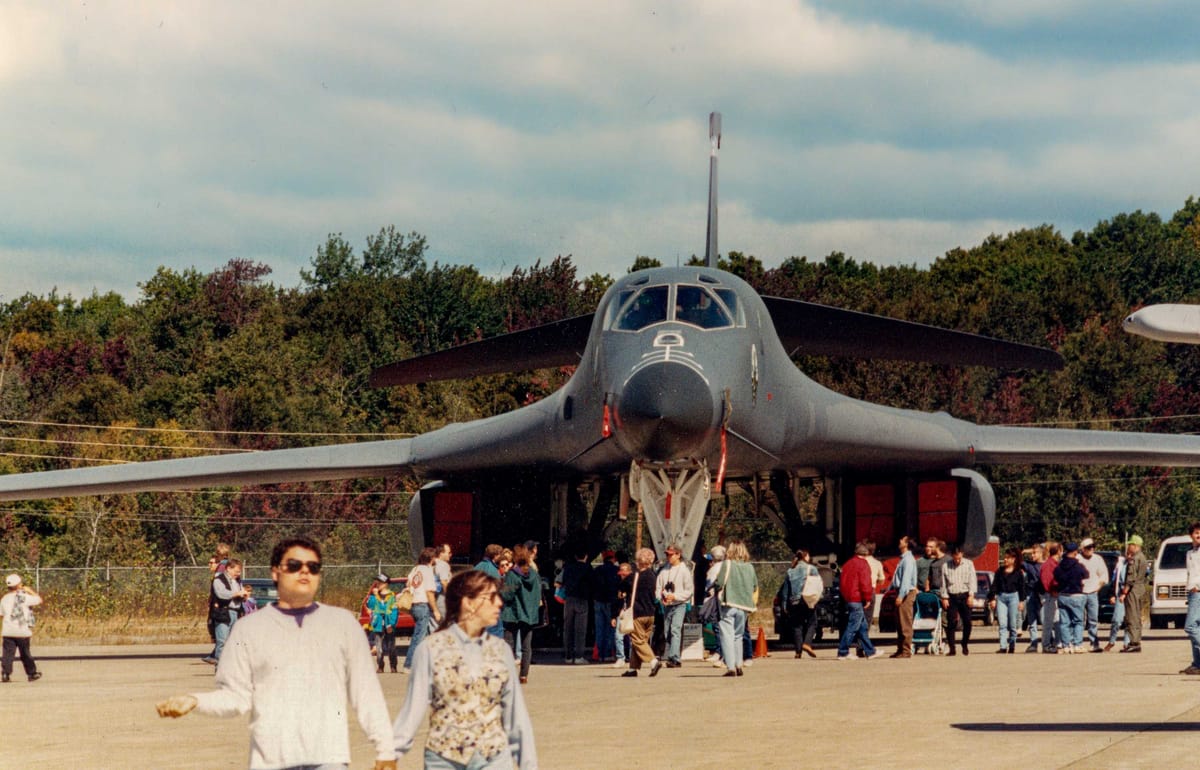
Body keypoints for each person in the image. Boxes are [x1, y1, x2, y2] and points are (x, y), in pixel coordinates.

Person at [155, 537, 397, 770]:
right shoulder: (248, 629)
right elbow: (236, 698)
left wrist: (386, 749)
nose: (304, 572)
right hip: (271, 758)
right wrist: (197, 701)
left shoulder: (342, 624)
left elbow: (366, 692)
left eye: (313, 567)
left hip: (328, 756)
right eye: (294, 566)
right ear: (275, 572)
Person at [392, 570, 538, 768]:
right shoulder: (430, 649)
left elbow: (516, 716)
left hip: (493, 758)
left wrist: (529, 765)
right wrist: (389, 755)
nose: (499, 603)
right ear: (468, 603)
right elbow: (413, 709)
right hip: (444, 760)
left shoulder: (501, 650)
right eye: (491, 597)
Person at [712, 539, 758, 677]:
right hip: (744, 606)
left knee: (727, 635)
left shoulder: (728, 564)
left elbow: (719, 582)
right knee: (738, 636)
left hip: (729, 603)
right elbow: (755, 585)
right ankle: (739, 664)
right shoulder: (750, 567)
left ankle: (730, 667)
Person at [502, 544, 541, 684]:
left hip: (512, 613)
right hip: (529, 614)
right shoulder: (535, 575)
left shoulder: (512, 575)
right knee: (526, 646)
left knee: (508, 644)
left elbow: (507, 595)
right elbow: (538, 595)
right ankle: (524, 675)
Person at [621, 548, 663, 678]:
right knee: (641, 641)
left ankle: (654, 661)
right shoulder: (654, 576)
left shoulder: (634, 577)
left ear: (639, 561)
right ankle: (633, 668)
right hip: (650, 613)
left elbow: (622, 587)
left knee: (637, 640)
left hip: (637, 612)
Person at [836, 543, 880, 660]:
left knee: (863, 626)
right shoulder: (863, 564)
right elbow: (865, 583)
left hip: (849, 598)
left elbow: (842, 583)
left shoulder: (847, 564)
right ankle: (843, 651)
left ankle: (870, 651)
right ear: (866, 554)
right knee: (853, 626)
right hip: (857, 598)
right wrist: (868, 598)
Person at [655, 543, 695, 668]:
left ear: (678, 555)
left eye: (671, 555)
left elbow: (689, 590)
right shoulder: (664, 570)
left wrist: (676, 596)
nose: (669, 557)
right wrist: (661, 597)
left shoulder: (684, 571)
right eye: (667, 554)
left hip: (680, 604)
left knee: (675, 629)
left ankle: (675, 658)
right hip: (667, 605)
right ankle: (672, 654)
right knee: (667, 631)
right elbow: (658, 587)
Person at [403, 546, 442, 673]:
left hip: (413, 605)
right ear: (431, 558)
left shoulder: (415, 569)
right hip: (422, 604)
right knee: (419, 637)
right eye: (435, 556)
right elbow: (429, 592)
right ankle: (408, 665)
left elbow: (408, 585)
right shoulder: (427, 571)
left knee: (424, 636)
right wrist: (435, 610)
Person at [1, 573, 42, 683]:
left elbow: (1, 613)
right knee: (25, 653)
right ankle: (31, 673)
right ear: (19, 585)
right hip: (22, 630)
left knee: (8, 654)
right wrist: (30, 591)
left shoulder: (5, 598)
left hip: (8, 630)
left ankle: (6, 673)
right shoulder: (24, 597)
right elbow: (38, 600)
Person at [209, 558, 250, 665]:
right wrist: (236, 594)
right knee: (222, 641)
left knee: (234, 643)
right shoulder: (218, 580)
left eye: (239, 571)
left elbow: (239, 594)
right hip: (223, 613)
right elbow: (221, 594)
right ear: (228, 569)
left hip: (236, 613)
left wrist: (244, 596)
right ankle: (220, 667)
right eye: (237, 571)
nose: (239, 573)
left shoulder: (237, 581)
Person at [781, 548, 820, 658]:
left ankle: (798, 652)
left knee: (797, 625)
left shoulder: (790, 571)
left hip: (794, 601)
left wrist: (784, 604)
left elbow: (785, 590)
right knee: (812, 622)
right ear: (805, 556)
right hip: (808, 599)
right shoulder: (811, 569)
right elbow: (817, 584)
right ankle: (807, 644)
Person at [987, 548, 1027, 654]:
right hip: (1001, 598)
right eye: (1005, 557)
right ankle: (1003, 646)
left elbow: (1022, 588)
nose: (1005, 559)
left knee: (1012, 624)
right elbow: (994, 586)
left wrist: (1022, 601)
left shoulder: (1018, 573)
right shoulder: (999, 571)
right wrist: (992, 598)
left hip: (1014, 597)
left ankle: (1012, 644)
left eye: (1008, 558)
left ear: (1013, 559)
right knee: (1002, 623)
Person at [940, 543, 977, 656]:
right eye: (955, 557)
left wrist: (971, 595)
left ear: (962, 554)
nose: (957, 560)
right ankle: (952, 648)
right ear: (952, 555)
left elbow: (972, 580)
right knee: (951, 623)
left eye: (959, 557)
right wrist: (944, 597)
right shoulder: (946, 566)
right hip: (952, 596)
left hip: (964, 595)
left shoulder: (969, 564)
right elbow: (943, 584)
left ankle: (964, 643)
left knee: (967, 623)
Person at [560, 546, 594, 664]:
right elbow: (592, 582)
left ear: (575, 556)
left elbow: (562, 581)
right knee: (580, 629)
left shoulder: (568, 568)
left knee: (568, 628)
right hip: (582, 599)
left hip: (569, 599)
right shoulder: (588, 568)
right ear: (586, 556)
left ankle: (568, 656)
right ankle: (579, 656)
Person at [1054, 542, 1089, 654]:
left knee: (1064, 622)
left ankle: (1066, 645)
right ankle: (1077, 644)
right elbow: (1086, 574)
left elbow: (1055, 575)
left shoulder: (1059, 566)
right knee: (1078, 621)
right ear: (1075, 552)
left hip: (1063, 595)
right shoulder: (1078, 566)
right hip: (1076, 595)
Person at [889, 535, 918, 658]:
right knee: (899, 622)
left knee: (905, 622)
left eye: (901, 540)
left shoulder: (908, 560)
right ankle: (900, 649)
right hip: (901, 591)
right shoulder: (903, 559)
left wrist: (901, 596)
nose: (899, 541)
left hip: (905, 593)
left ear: (906, 544)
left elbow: (906, 580)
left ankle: (906, 650)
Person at [1078, 537, 1109, 652]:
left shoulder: (1098, 559)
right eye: (1088, 547)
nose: (1091, 549)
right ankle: (1078, 642)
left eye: (1092, 547)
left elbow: (1104, 575)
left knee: (1093, 619)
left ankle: (1094, 642)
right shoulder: (1078, 558)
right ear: (1082, 549)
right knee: (1079, 620)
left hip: (1092, 593)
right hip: (1080, 593)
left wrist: (1098, 588)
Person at [1119, 534, 1148, 653]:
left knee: (1132, 616)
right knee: (1137, 615)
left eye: (1130, 544)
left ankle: (1134, 642)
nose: (1128, 546)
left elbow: (1131, 578)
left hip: (1133, 590)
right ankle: (1136, 640)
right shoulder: (1143, 557)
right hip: (1140, 588)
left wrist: (1124, 593)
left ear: (1135, 546)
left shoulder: (1135, 559)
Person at [367, 573, 400, 673]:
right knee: (378, 646)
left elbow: (393, 611)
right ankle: (380, 665)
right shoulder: (374, 595)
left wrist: (391, 623)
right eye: (377, 582)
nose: (377, 584)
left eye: (380, 582)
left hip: (388, 623)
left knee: (391, 646)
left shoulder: (391, 596)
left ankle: (393, 665)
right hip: (378, 624)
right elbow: (371, 605)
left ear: (385, 584)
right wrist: (373, 596)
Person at [593, 550, 620, 663]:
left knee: (599, 628)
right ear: (613, 558)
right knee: (610, 628)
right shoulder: (616, 571)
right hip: (611, 601)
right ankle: (609, 653)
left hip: (598, 601)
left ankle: (600, 654)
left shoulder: (597, 570)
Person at [475, 544, 507, 638]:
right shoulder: (492, 569)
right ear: (495, 555)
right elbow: (497, 589)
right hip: (491, 606)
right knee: (495, 633)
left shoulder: (478, 566)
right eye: (499, 554)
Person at [1181, 523, 1200, 675]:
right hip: (1192, 592)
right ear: (1191, 535)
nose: (1198, 535)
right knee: (1197, 628)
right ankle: (1197, 664)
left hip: (1199, 591)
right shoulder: (1189, 553)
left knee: (1190, 627)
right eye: (1196, 532)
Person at [1022, 543, 1045, 653]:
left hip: (1043, 594)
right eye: (1031, 553)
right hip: (1031, 593)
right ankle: (1033, 643)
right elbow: (1018, 560)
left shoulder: (1045, 565)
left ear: (1041, 553)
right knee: (1032, 620)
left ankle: (1049, 641)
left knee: (1045, 619)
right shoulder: (1028, 565)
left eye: (1034, 553)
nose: (1032, 555)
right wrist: (1024, 551)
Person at [1040, 541, 1062, 653]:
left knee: (1057, 620)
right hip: (1050, 596)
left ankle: (1058, 643)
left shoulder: (1055, 564)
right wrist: (1052, 590)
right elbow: (1046, 580)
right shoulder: (1049, 564)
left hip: (1055, 595)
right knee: (1048, 621)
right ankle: (1046, 644)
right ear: (1059, 551)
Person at [1106, 551, 1129, 653]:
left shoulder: (1137, 562)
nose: (1129, 555)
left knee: (1129, 621)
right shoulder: (1120, 563)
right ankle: (1112, 640)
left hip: (1131, 595)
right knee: (1116, 619)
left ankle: (1127, 643)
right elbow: (1114, 580)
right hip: (1120, 594)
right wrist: (1111, 594)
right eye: (1128, 553)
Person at [613, 560, 633, 668]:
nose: (622, 576)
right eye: (621, 574)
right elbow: (615, 601)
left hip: (631, 612)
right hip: (621, 613)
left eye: (624, 574)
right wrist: (613, 616)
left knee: (631, 637)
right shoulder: (618, 585)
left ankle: (632, 657)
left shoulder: (633, 584)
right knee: (618, 635)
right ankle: (620, 657)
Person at [434, 543, 454, 618]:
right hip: (441, 597)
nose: (450, 555)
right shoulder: (443, 565)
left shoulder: (431, 563)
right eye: (448, 552)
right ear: (441, 553)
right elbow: (444, 582)